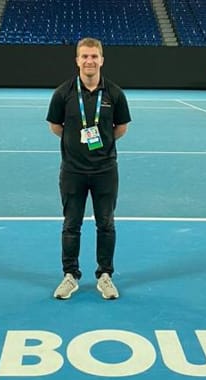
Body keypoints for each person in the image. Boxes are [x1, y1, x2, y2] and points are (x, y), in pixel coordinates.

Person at [46, 37, 131, 300]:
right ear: (77, 60)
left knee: (106, 224)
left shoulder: (115, 93)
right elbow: (55, 126)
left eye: (94, 56)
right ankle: (70, 276)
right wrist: (76, 145)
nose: (89, 61)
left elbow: (121, 128)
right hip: (72, 171)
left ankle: (105, 275)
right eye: (84, 56)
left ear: (102, 60)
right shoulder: (63, 93)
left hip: (105, 170)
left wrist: (101, 146)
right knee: (71, 225)